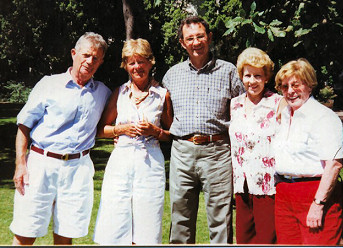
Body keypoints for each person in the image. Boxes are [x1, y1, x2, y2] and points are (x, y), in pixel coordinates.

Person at [10, 32, 111, 245]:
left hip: (78, 168)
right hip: (40, 165)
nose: (89, 61)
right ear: (74, 54)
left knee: (66, 234)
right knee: (25, 231)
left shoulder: (103, 93)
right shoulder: (49, 84)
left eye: (96, 58)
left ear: (101, 62)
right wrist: (20, 164)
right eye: (86, 55)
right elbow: (24, 124)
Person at [162, 15, 244, 244]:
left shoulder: (229, 72)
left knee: (221, 218)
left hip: (217, 152)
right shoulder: (172, 75)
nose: (196, 42)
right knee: (180, 217)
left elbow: (242, 112)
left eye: (200, 36)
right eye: (190, 38)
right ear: (182, 43)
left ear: (209, 37)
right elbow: (166, 115)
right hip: (182, 151)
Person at [93, 38, 173, 245]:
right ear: (126, 66)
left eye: (141, 61)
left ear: (150, 62)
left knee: (147, 222)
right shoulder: (119, 93)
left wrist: (155, 131)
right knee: (116, 220)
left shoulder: (162, 95)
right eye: (131, 62)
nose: (137, 67)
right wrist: (122, 129)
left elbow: (171, 133)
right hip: (121, 162)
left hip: (151, 164)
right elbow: (101, 130)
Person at [274, 58, 343, 245]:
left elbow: (334, 164)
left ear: (309, 84)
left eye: (296, 84)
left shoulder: (324, 117)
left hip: (314, 193)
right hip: (284, 195)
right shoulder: (285, 114)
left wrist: (318, 204)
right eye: (284, 86)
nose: (290, 91)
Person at [229, 47, 285, 244]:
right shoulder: (234, 104)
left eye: (257, 76)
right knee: (244, 238)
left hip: (267, 183)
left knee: (267, 238)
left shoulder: (278, 102)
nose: (252, 81)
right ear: (241, 77)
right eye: (247, 75)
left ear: (266, 77)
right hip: (241, 182)